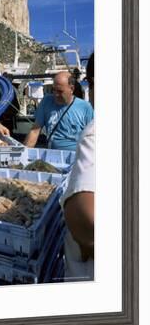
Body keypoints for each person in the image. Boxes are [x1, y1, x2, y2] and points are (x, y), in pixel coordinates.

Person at [60, 53, 95, 281]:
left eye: (59, 89)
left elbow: (87, 216)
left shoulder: (94, 129)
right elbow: (35, 129)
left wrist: (86, 246)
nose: (54, 93)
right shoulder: (45, 105)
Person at [24, 71, 93, 152]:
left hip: (76, 156)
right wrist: (24, 154)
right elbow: (35, 131)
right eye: (54, 90)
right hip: (53, 155)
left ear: (72, 89)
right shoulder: (47, 101)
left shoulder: (85, 107)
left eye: (60, 91)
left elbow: (92, 138)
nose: (56, 94)